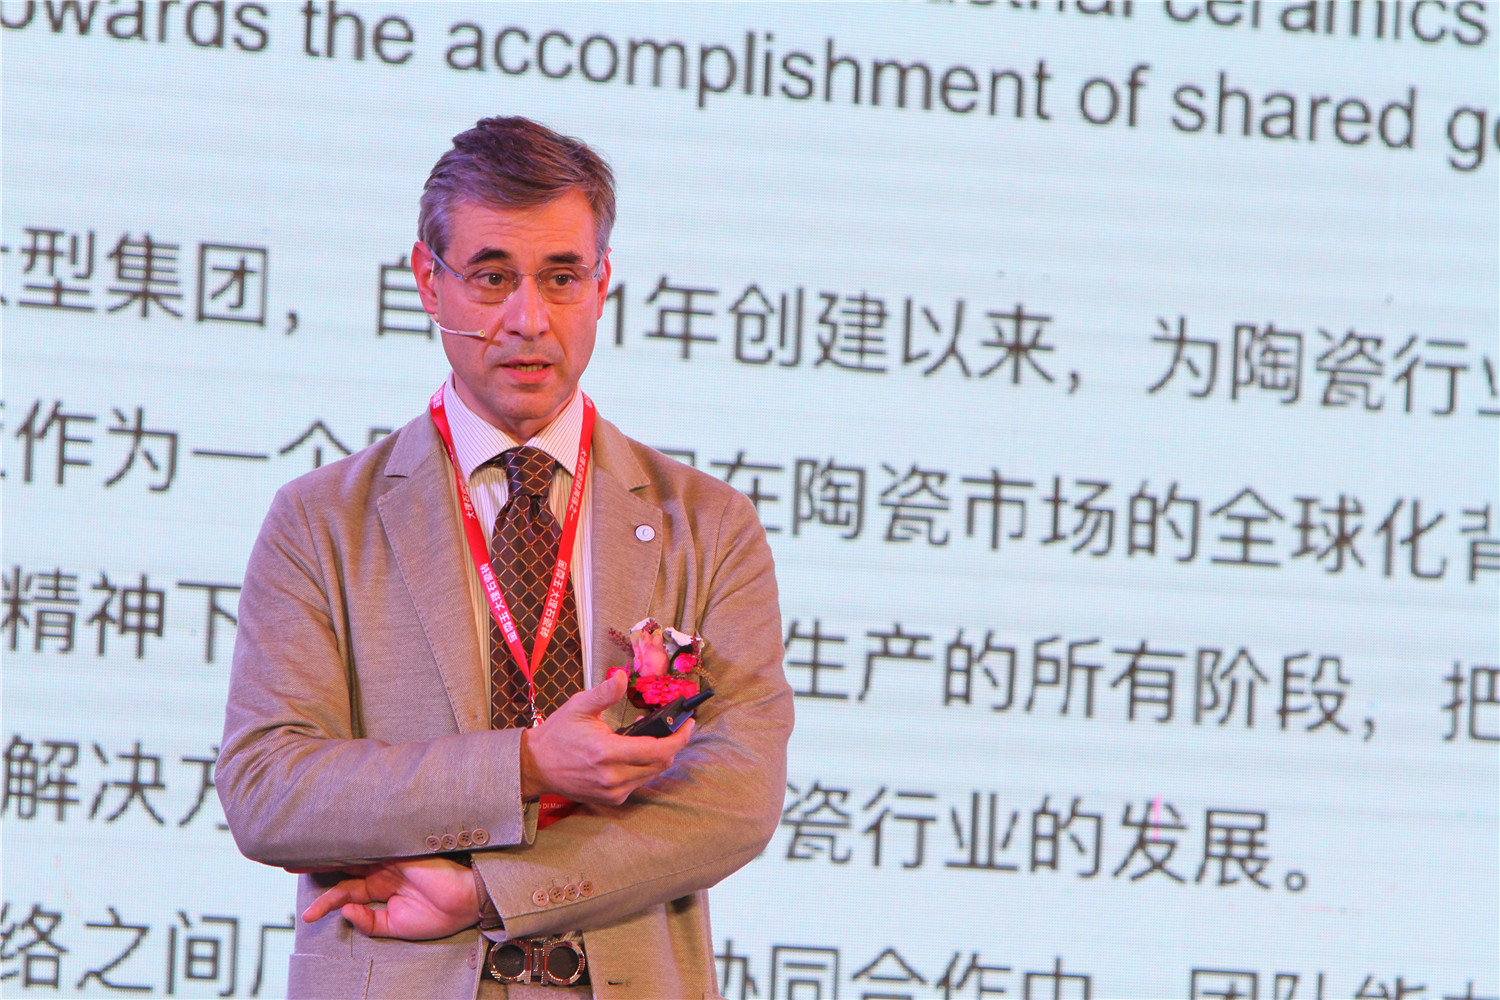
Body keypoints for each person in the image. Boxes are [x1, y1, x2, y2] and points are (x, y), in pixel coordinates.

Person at [216, 116, 794, 1000]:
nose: (528, 319)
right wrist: (523, 765)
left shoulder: (707, 524)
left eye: (562, 277)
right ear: (429, 282)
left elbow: (735, 796)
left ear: (602, 285)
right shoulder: (322, 521)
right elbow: (269, 789)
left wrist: (494, 891)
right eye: (492, 277)